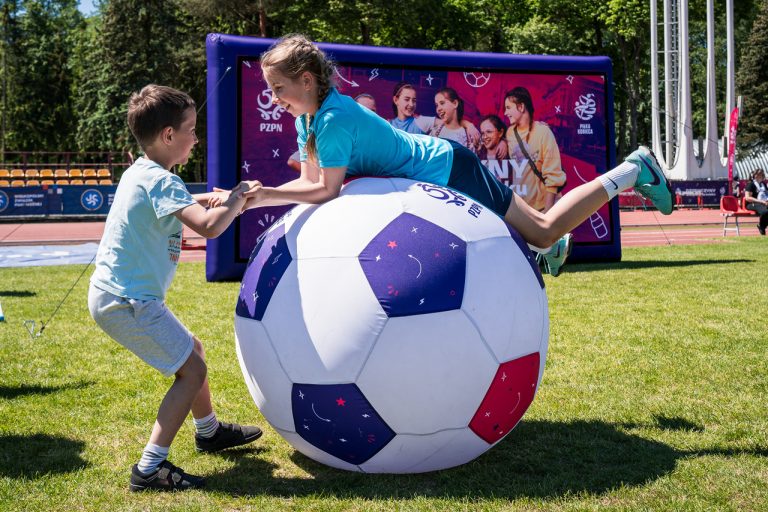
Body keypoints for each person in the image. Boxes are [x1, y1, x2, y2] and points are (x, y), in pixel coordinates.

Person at [242, 35, 674, 278]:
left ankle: (632, 169)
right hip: (431, 175)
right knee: (526, 236)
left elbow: (325, 191)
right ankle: (552, 250)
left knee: (541, 228)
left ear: (304, 80)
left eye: (277, 88)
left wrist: (261, 197)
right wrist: (252, 196)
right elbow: (309, 183)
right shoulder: (308, 119)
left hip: (447, 168)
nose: (273, 97)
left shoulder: (332, 119)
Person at [87, 85, 262, 492]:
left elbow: (182, 202)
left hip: (119, 296)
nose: (196, 138)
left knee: (193, 349)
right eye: (191, 129)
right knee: (193, 370)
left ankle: (209, 432)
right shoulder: (162, 182)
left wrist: (216, 197)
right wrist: (235, 200)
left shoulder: (144, 172)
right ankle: (149, 469)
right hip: (127, 301)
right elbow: (209, 227)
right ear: (169, 136)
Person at [504, 86, 566, 213]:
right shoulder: (509, 133)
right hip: (520, 208)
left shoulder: (543, 132)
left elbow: (553, 175)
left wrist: (547, 214)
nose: (505, 113)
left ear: (521, 107)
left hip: (542, 208)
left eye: (508, 108)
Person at [389, 82, 480, 145]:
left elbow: (450, 122)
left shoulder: (421, 121)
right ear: (396, 100)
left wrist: (469, 124)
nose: (411, 104)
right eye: (406, 99)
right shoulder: (388, 124)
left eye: (414, 100)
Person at [429, 87, 480, 153]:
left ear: (455, 103)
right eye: (436, 105)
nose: (438, 109)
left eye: (442, 103)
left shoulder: (469, 135)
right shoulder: (434, 132)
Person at [744, 168, 768, 235]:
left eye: (762, 174)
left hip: (763, 203)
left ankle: (762, 226)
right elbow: (747, 198)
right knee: (765, 211)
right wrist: (761, 201)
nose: (761, 175)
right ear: (755, 175)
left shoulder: (764, 184)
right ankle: (762, 226)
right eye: (759, 174)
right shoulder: (750, 184)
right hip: (752, 204)